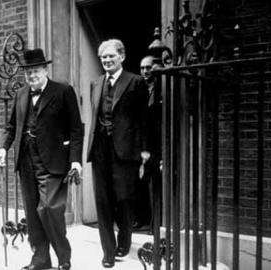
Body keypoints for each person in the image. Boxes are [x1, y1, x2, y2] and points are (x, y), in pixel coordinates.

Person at [0, 48, 83, 270]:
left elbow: (75, 130)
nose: (31, 76)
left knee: (49, 208)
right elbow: (11, 126)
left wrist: (75, 160)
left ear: (45, 69)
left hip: (53, 161)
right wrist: (3, 148)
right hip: (25, 161)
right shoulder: (21, 94)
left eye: (35, 71)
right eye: (27, 72)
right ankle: (40, 258)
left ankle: (64, 257)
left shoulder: (63, 91)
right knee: (33, 213)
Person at [86, 39, 149, 268]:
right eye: (103, 57)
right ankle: (108, 252)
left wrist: (144, 150)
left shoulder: (136, 82)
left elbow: (144, 119)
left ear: (121, 56)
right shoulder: (95, 83)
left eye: (111, 56)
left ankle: (125, 239)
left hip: (126, 150)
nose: (107, 60)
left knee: (124, 199)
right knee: (102, 201)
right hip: (100, 148)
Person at [134, 55, 162, 233]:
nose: (145, 71)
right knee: (139, 182)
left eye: (148, 67)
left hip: (157, 143)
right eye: (142, 68)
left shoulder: (162, 88)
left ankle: (156, 223)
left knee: (155, 185)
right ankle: (141, 219)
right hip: (141, 143)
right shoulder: (138, 88)